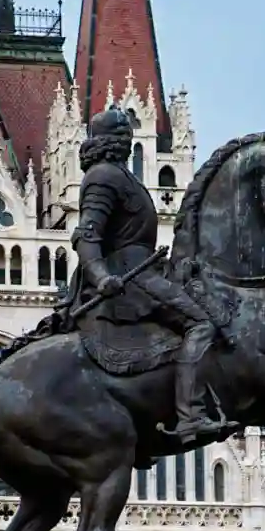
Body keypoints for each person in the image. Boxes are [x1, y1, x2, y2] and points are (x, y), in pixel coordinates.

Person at [65, 106, 221, 443]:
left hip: (144, 269)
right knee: (201, 323)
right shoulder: (103, 176)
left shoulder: (120, 175)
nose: (127, 138)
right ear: (109, 140)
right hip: (129, 278)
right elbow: (87, 234)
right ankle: (191, 416)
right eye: (121, 133)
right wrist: (99, 274)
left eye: (128, 132)